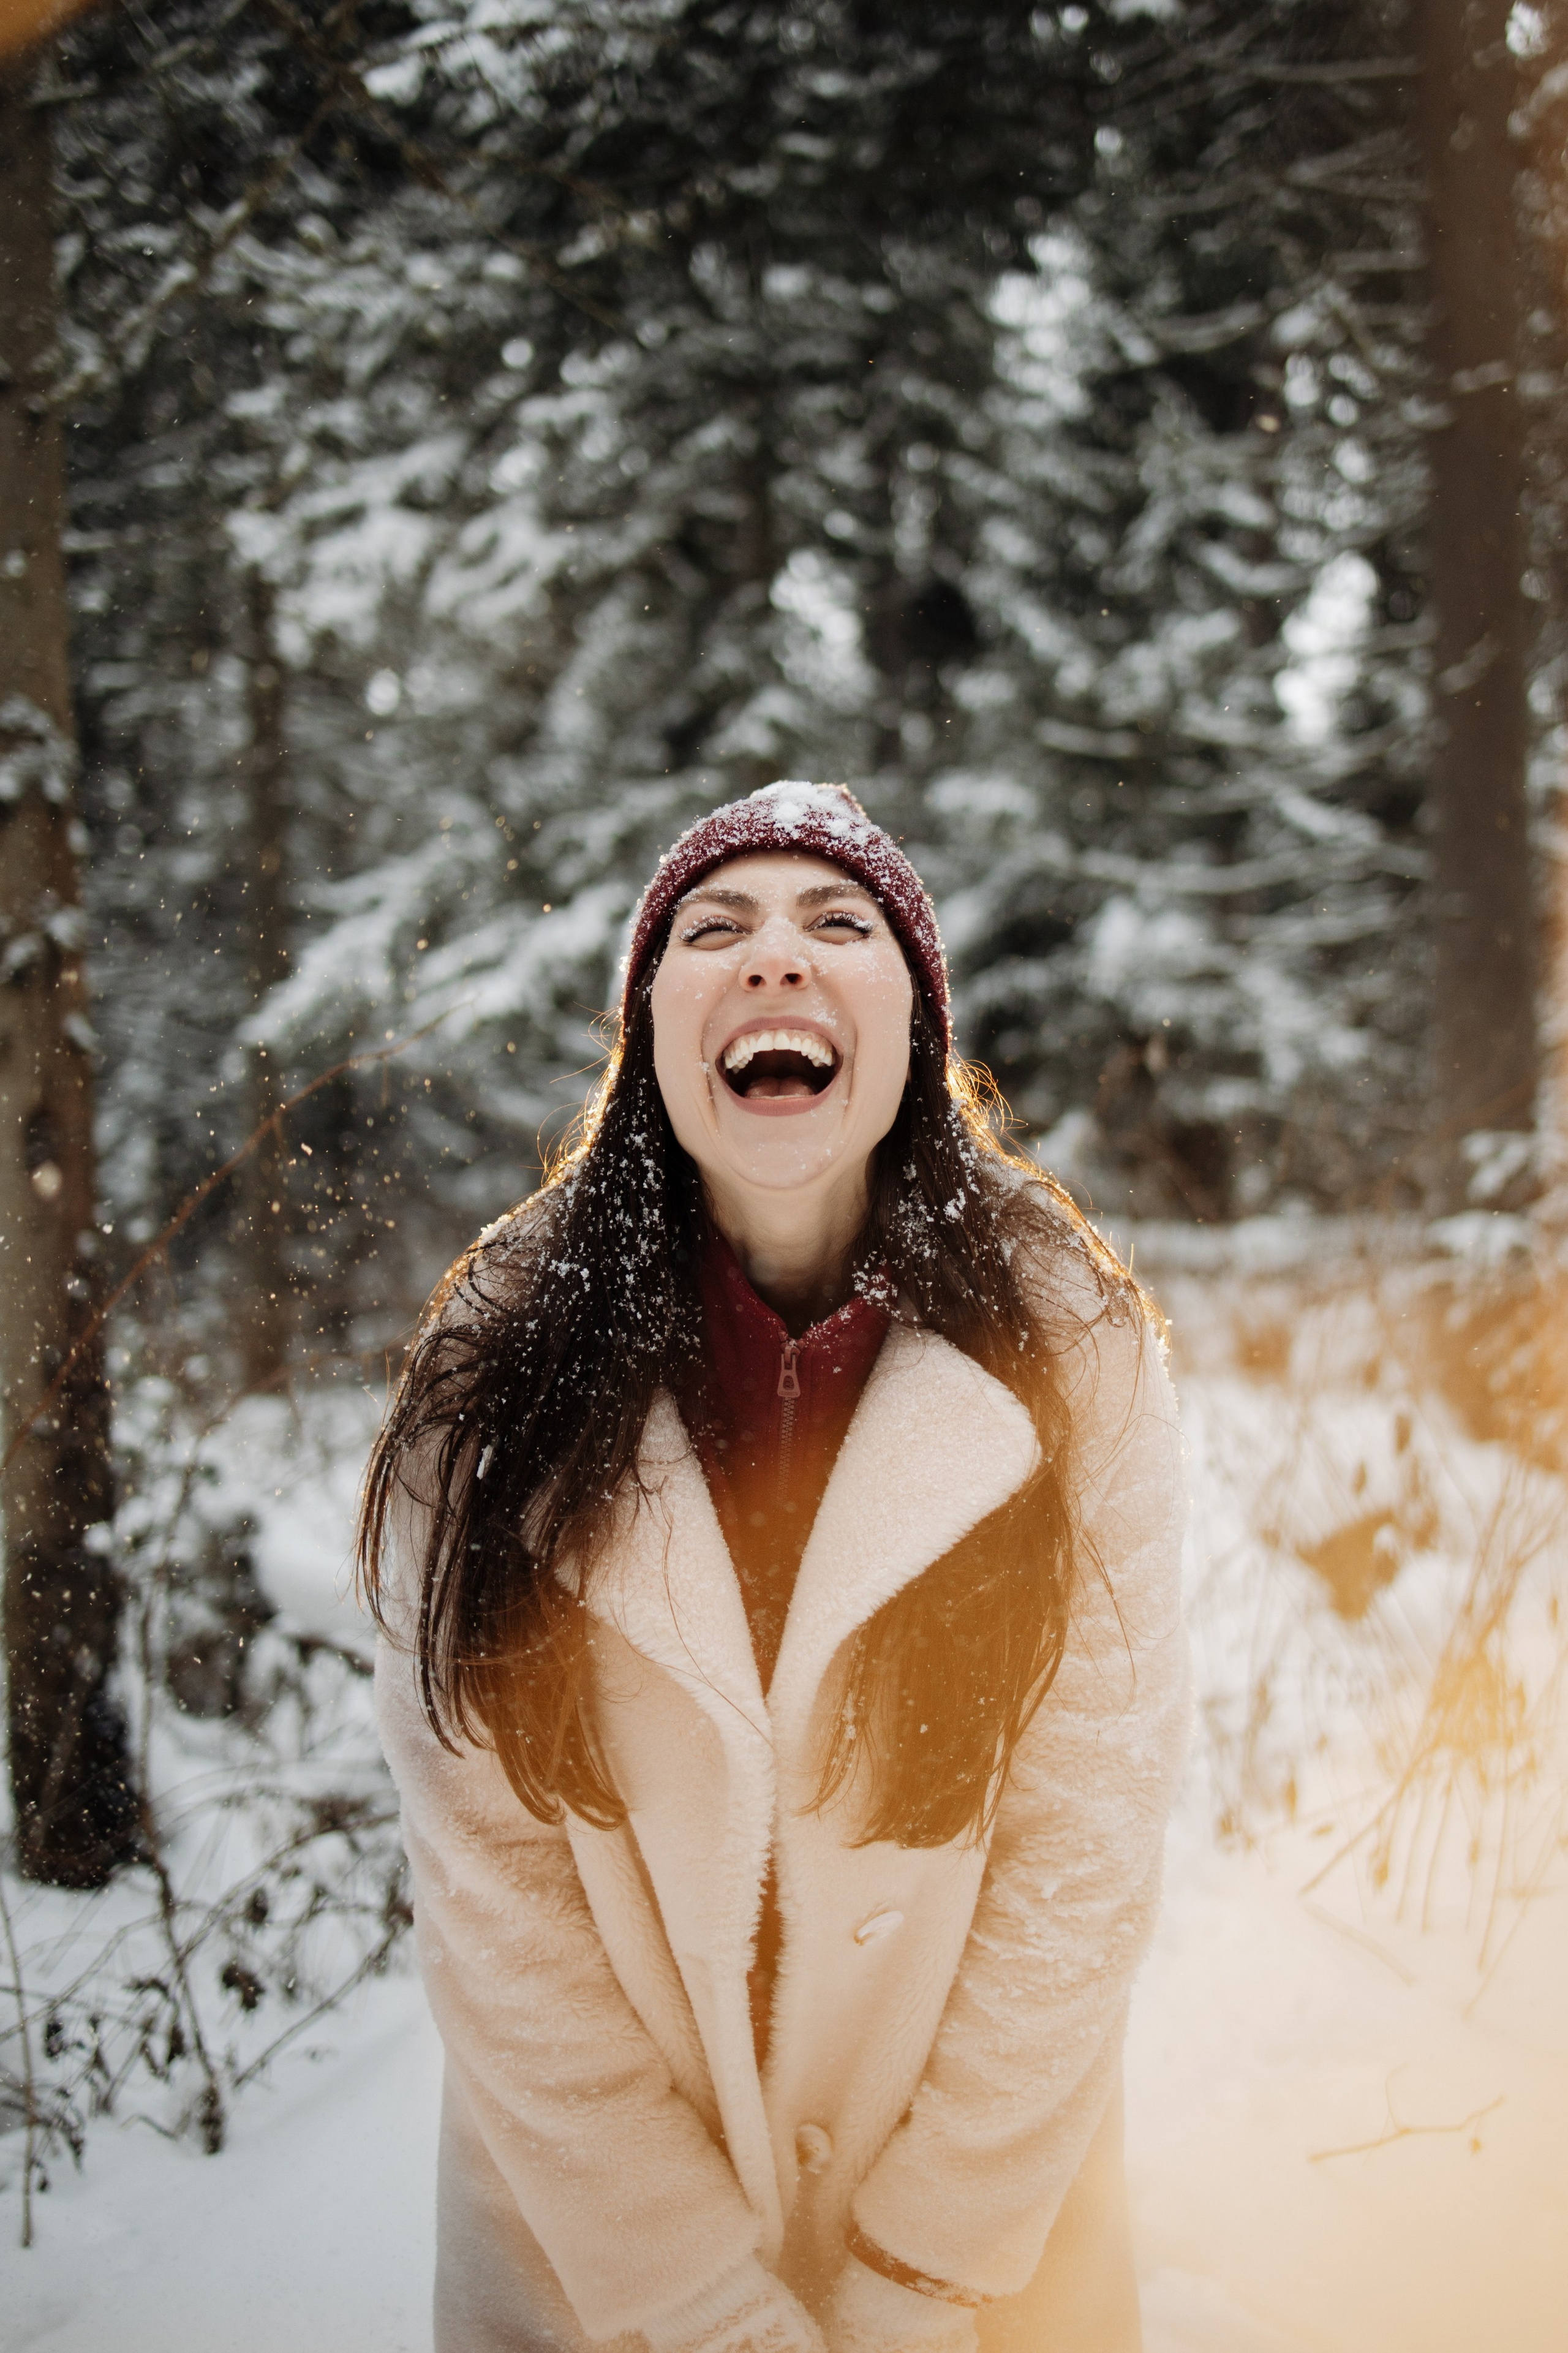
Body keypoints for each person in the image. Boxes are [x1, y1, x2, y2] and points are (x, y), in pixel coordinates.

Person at [362, 780, 1189, 2353]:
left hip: (988, 2254)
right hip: (594, 2266)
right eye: (712, 929)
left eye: (838, 925)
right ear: (650, 1028)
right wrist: (689, 2297)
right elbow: (495, 1890)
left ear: (916, 1022)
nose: (773, 961)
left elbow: (1086, 1837)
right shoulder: (489, 1372)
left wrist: (930, 2266)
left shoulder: (1072, 1346)